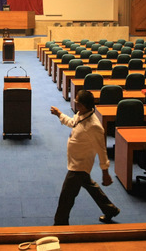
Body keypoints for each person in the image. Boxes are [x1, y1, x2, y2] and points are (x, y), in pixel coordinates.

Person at [50, 89, 120, 225]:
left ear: (86, 106)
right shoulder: (81, 114)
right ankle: (110, 209)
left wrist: (105, 172)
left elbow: (102, 150)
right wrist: (59, 114)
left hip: (79, 165)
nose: (75, 104)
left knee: (66, 197)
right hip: (75, 160)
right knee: (90, 186)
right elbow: (72, 123)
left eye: (78, 103)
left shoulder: (94, 126)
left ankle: (60, 224)